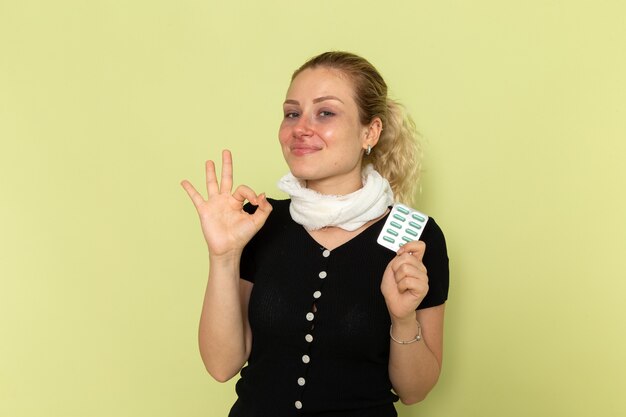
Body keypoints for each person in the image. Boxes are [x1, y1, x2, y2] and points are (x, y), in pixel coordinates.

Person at [181, 51, 449, 417]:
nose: (300, 128)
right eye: (292, 113)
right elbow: (221, 365)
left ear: (370, 131)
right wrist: (223, 257)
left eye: (326, 112)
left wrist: (403, 319)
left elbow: (414, 391)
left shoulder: (415, 237)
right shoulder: (256, 222)